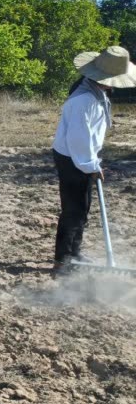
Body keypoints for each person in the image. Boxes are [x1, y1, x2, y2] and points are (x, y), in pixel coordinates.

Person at [51, 46, 136, 273]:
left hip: (81, 156)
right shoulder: (84, 100)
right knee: (74, 210)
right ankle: (63, 260)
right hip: (73, 158)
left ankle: (74, 253)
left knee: (83, 208)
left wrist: (92, 163)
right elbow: (78, 138)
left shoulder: (96, 90)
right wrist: (90, 166)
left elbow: (88, 135)